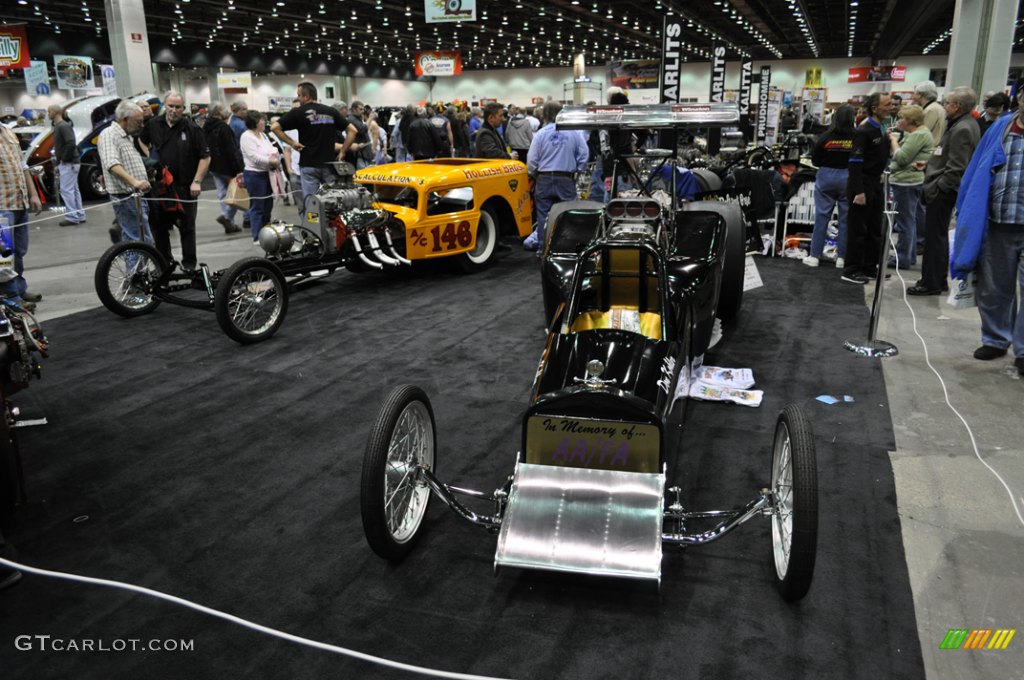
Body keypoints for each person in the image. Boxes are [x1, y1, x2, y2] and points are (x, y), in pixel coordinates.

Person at [951, 83, 1023, 373]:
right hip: (997, 222)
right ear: (1019, 98)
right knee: (994, 289)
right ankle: (995, 339)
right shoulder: (1001, 128)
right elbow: (978, 166)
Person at [908, 86, 980, 295]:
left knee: (935, 239)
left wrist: (938, 187)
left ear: (957, 106)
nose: (944, 106)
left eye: (947, 102)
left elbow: (957, 167)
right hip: (941, 186)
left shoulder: (963, 128)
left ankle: (930, 282)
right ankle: (937, 280)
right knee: (937, 237)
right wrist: (929, 165)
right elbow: (946, 156)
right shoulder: (961, 124)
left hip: (943, 192)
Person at [139, 91, 210, 272]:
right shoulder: (153, 124)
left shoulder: (192, 129)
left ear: (183, 108)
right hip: (160, 187)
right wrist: (150, 157)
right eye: (170, 106)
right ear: (165, 106)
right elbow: (141, 140)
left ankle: (189, 265)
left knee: (187, 227)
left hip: (185, 187)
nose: (174, 110)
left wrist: (197, 181)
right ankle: (165, 265)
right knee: (159, 228)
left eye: (178, 107)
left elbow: (205, 157)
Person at [841, 92, 894, 284]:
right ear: (875, 108)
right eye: (887, 105)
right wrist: (859, 191)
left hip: (876, 183)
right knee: (858, 229)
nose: (891, 108)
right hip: (862, 184)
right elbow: (854, 163)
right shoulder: (863, 131)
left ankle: (870, 266)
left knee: (874, 229)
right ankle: (851, 269)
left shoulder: (882, 128)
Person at [271, 82, 349, 209]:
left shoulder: (298, 112)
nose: (299, 98)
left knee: (311, 203)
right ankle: (334, 227)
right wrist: (343, 151)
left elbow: (274, 127)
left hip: (309, 165)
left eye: (299, 95)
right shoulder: (330, 111)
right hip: (329, 165)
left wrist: (292, 143)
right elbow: (353, 130)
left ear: (306, 96)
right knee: (334, 201)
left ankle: (312, 228)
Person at [523, 101, 588, 251]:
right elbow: (584, 154)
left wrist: (533, 173)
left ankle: (543, 248)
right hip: (565, 178)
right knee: (568, 214)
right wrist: (579, 169)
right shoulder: (575, 133)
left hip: (544, 178)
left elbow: (532, 159)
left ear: (545, 114)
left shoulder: (540, 134)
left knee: (543, 215)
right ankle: (568, 247)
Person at [803, 104, 856, 269]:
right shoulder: (857, 137)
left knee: (821, 217)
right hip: (848, 177)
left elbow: (815, 160)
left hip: (826, 177)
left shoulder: (825, 137)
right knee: (845, 220)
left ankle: (814, 256)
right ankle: (842, 258)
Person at [0, 123, 43, 309]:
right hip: (2, 205)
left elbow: (22, 165)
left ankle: (19, 289)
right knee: (5, 254)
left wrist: (33, 194)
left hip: (19, 202)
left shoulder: (8, 131)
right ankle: (10, 296)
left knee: (19, 251)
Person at [98, 100, 153, 244]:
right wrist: (135, 182)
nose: (142, 125)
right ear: (125, 119)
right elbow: (112, 164)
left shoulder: (127, 137)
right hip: (126, 198)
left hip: (136, 198)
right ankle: (135, 267)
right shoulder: (109, 135)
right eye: (138, 121)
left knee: (143, 241)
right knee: (137, 242)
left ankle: (140, 266)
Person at [886, 104, 933, 269]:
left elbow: (902, 158)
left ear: (910, 120)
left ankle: (903, 257)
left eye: (902, 118)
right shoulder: (920, 134)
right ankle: (908, 256)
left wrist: (893, 141)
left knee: (905, 222)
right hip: (911, 181)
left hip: (906, 182)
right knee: (909, 221)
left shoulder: (917, 136)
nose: (900, 121)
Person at [204, 103, 244, 234]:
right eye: (223, 109)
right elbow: (231, 149)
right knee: (236, 195)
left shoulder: (205, 127)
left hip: (214, 166)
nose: (226, 111)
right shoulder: (224, 128)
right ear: (218, 112)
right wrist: (238, 168)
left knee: (222, 194)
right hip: (228, 167)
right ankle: (227, 217)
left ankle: (230, 224)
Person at [240, 111, 279, 243]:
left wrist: (276, 157)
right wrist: (271, 161)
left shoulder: (263, 135)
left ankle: (266, 232)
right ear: (255, 122)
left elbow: (271, 149)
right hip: (254, 175)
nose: (265, 122)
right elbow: (254, 157)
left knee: (268, 205)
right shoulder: (246, 136)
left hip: (268, 173)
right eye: (262, 120)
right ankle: (257, 236)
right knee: (257, 206)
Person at [47, 104, 86, 227]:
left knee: (66, 190)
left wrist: (64, 159)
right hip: (71, 162)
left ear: (54, 112)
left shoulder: (62, 126)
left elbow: (70, 142)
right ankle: (79, 214)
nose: (48, 114)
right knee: (73, 189)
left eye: (49, 112)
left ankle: (72, 216)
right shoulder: (62, 126)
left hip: (69, 163)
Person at [912, 81, 946, 147]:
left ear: (920, 95)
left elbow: (922, 133)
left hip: (930, 148)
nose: (913, 96)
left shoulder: (931, 109)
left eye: (914, 93)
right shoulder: (936, 107)